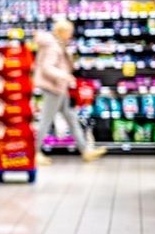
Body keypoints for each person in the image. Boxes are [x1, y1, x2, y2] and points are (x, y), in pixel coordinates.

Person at [33, 19, 106, 165]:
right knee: (45, 121)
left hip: (60, 87)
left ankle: (85, 151)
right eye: (69, 32)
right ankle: (33, 152)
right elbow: (47, 67)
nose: (70, 35)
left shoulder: (58, 43)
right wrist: (65, 75)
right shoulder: (53, 46)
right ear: (61, 32)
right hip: (53, 88)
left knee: (72, 119)